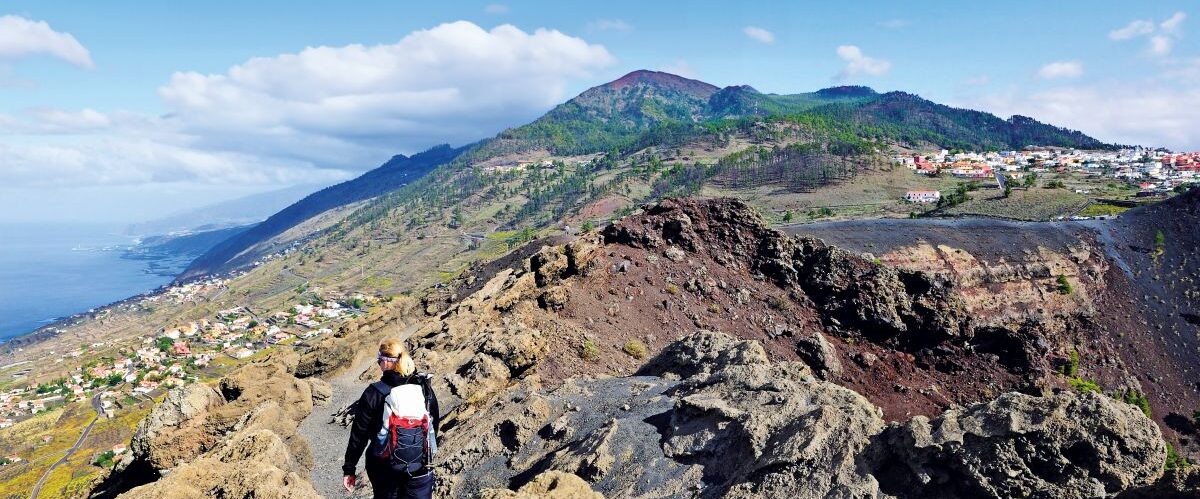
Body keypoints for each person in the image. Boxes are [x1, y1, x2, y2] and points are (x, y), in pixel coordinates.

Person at [343, 339, 439, 498]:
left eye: (379, 359)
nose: (379, 363)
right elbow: (433, 426)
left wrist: (349, 469)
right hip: (418, 465)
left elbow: (358, 437)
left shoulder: (373, 393)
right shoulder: (423, 388)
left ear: (387, 362)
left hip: (383, 468)